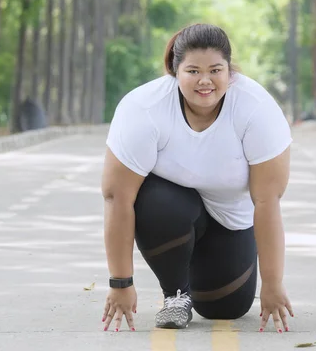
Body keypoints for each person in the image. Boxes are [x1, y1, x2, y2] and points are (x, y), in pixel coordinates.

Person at [100, 23, 294, 333]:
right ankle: (175, 293)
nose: (205, 80)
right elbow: (116, 197)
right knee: (153, 198)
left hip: (230, 220)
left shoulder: (255, 109)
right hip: (170, 211)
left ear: (229, 71)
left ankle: (196, 265)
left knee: (225, 309)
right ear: (175, 72)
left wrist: (273, 283)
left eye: (216, 70)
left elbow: (266, 201)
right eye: (192, 71)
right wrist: (121, 283)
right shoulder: (144, 109)